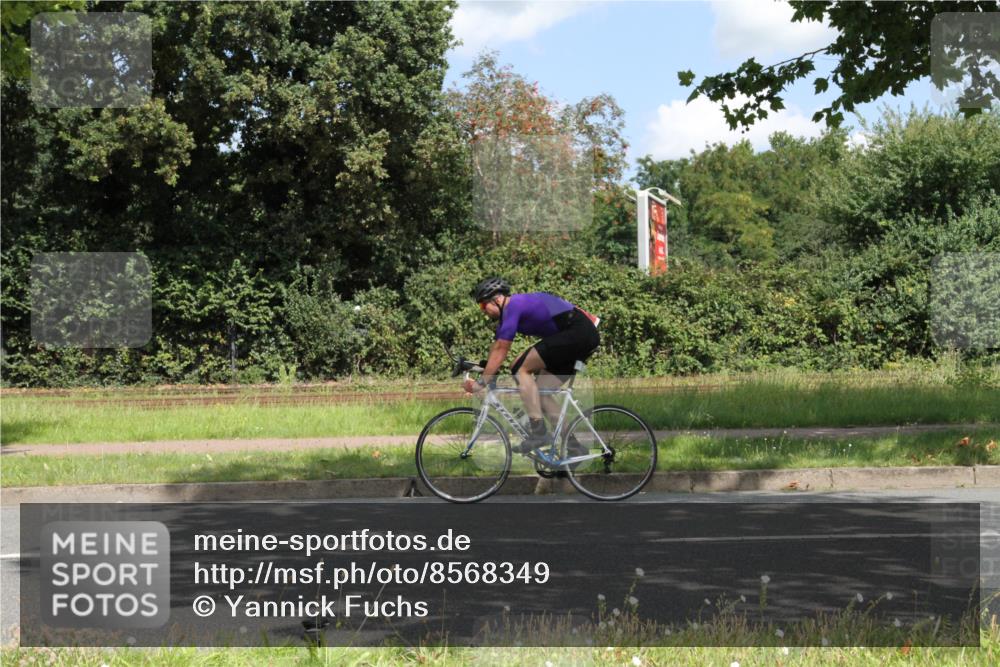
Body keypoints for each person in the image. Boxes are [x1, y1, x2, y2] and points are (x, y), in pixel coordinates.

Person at [464, 277, 600, 453]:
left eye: (483, 305)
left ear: (497, 299)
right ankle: (574, 446)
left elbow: (502, 350)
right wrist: (483, 368)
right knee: (541, 393)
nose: (483, 310)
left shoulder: (513, 306)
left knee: (519, 367)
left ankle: (539, 432)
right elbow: (496, 348)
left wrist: (480, 383)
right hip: (578, 335)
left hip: (577, 331)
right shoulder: (509, 314)